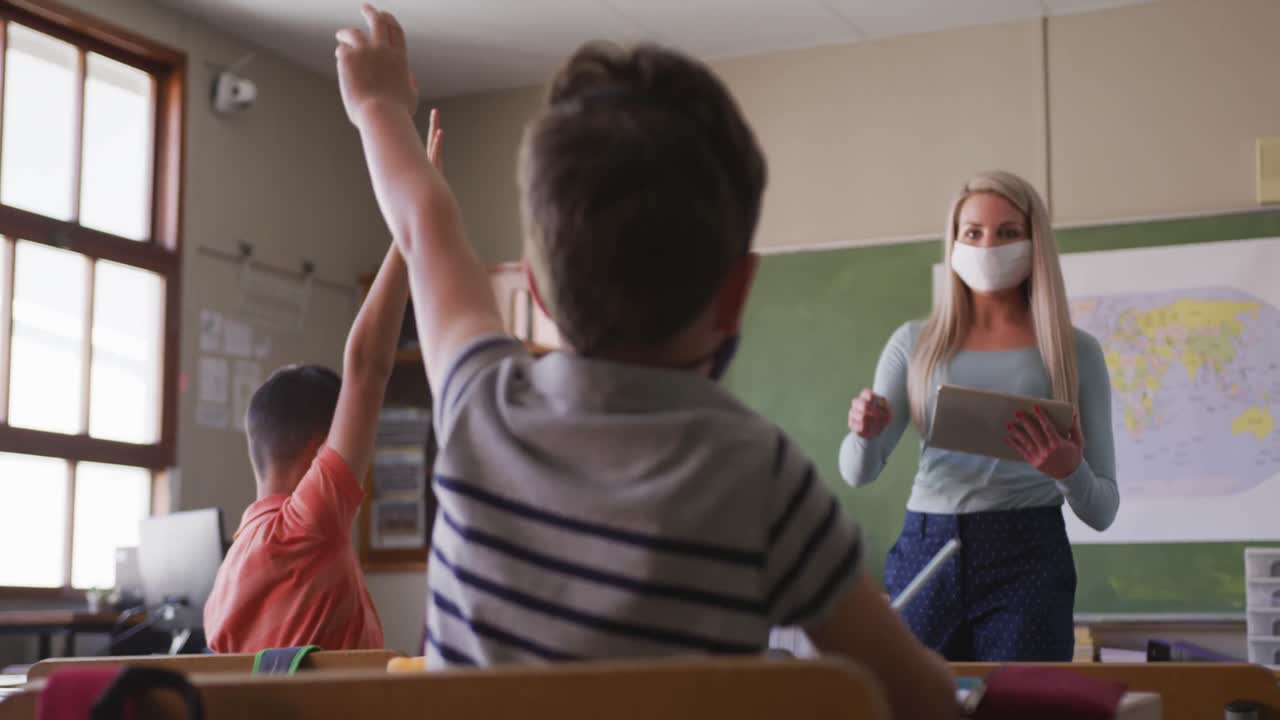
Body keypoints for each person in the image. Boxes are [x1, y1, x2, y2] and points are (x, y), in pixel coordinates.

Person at [336, 6, 956, 717]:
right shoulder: (763, 477)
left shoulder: (482, 402)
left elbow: (425, 226)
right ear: (738, 292)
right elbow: (919, 700)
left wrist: (379, 107)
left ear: (535, 292)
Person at [839, 170, 1118, 662]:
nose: (989, 246)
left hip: (1029, 553)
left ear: (1035, 242)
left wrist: (1068, 470)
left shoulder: (1075, 351)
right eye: (973, 232)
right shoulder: (913, 343)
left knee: (1021, 708)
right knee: (916, 704)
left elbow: (1103, 510)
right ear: (953, 241)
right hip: (927, 547)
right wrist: (864, 434)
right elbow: (857, 473)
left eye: (1008, 232)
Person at [203, 116, 445, 653]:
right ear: (318, 455)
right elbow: (367, 366)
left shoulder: (226, 576)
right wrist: (413, 218)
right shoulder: (306, 527)